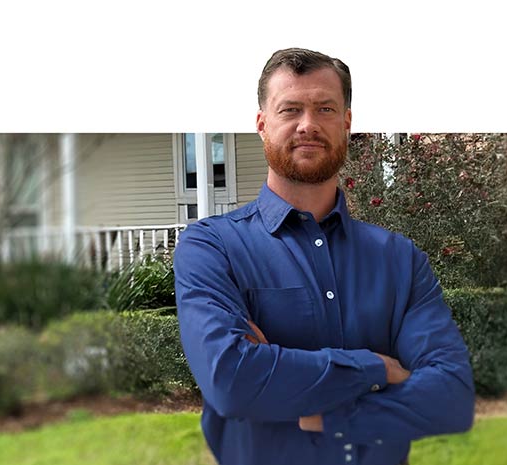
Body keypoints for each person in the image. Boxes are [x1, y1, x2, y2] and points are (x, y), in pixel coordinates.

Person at [174, 47, 474, 465]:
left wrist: (324, 413)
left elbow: (452, 398)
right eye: (290, 109)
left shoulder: (400, 260)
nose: (308, 124)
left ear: (346, 123)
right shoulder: (212, 248)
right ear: (262, 124)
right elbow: (231, 380)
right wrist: (377, 369)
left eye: (325, 108)